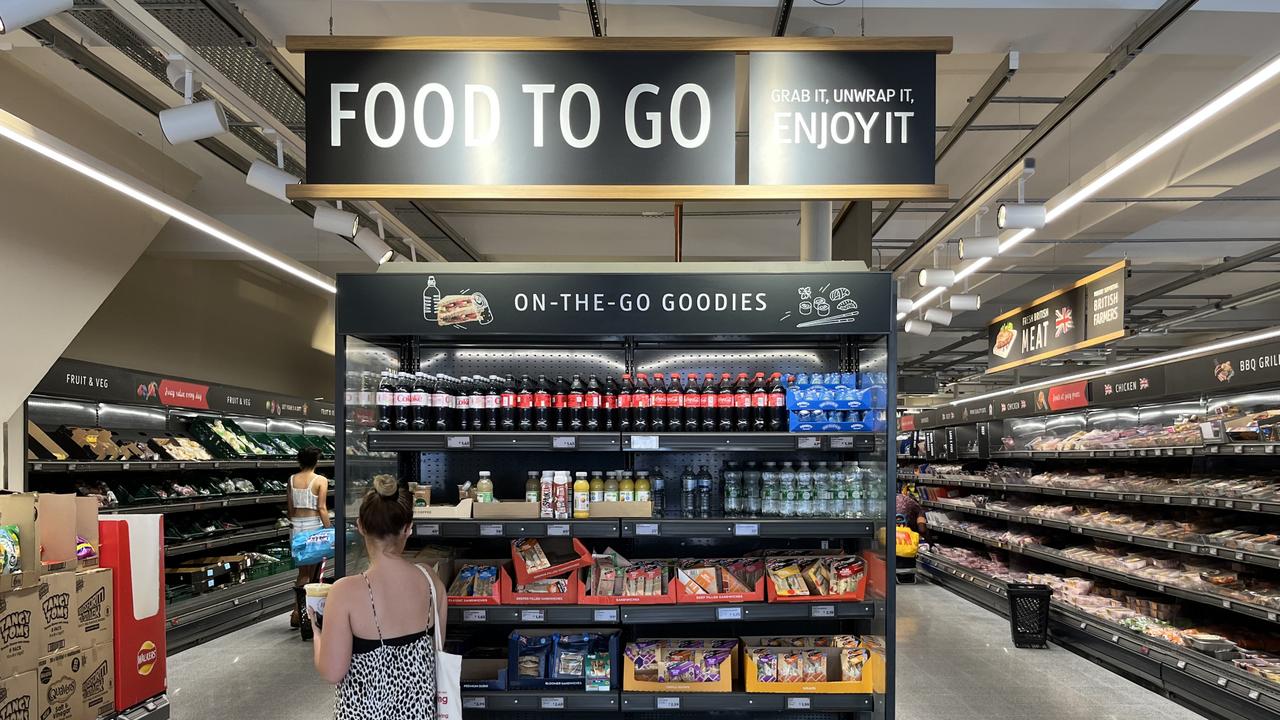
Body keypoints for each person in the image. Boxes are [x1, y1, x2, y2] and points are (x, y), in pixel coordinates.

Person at [310, 475, 448, 720]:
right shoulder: (431, 581)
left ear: (360, 525)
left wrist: (318, 633)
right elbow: (436, 651)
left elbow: (332, 672)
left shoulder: (344, 592)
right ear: (408, 527)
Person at [289, 447, 331, 636]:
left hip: (296, 527)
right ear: (316, 461)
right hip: (314, 526)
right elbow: (322, 507)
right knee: (313, 575)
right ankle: (310, 614)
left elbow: (289, 509)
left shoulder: (291, 480)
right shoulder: (321, 480)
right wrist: (329, 529)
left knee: (302, 572)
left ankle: (296, 613)